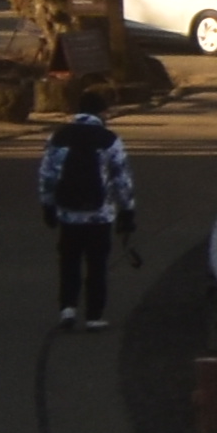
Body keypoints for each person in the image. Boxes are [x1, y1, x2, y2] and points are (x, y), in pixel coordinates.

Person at [36, 99, 140, 326]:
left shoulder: (59, 136)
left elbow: (48, 174)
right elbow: (121, 178)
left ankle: (68, 308)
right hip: (100, 214)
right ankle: (94, 315)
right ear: (101, 113)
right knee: (97, 264)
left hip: (68, 212)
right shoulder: (109, 139)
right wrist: (127, 210)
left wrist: (48, 204)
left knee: (69, 261)